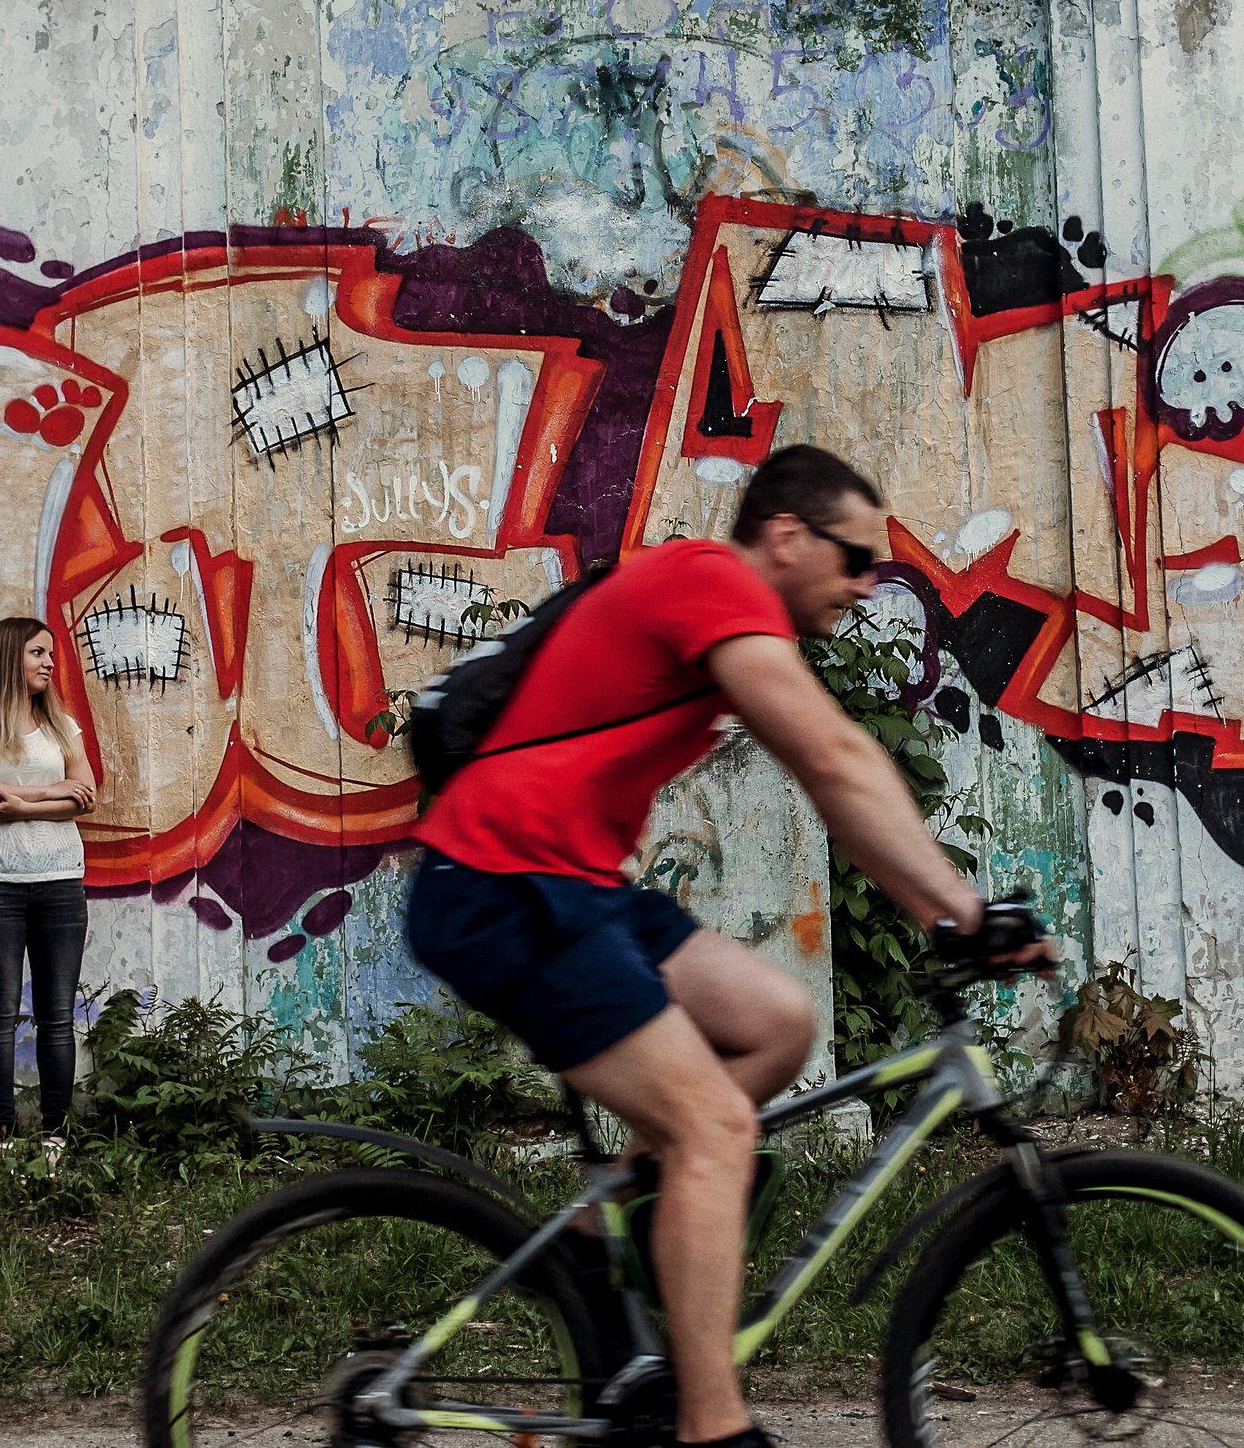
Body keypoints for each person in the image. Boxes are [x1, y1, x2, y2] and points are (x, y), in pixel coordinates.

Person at [407, 445, 1047, 1448]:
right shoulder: (708, 580)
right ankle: (710, 1428)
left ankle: (592, 1239)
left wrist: (945, 905)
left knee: (776, 1021)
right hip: (502, 883)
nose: (867, 584)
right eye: (855, 558)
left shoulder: (707, 598)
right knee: (714, 1130)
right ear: (784, 536)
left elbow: (841, 765)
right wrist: (960, 908)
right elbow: (831, 758)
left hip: (570, 883)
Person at [0, 616, 98, 1141]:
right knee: (0, 1017)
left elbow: (86, 794)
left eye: (50, 655)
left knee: (57, 1018)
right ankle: (5, 1135)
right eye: (38, 653)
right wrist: (52, 794)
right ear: (10, 657)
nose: (50, 663)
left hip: (61, 883)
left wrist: (18, 800)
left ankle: (55, 1136)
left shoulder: (62, 725)